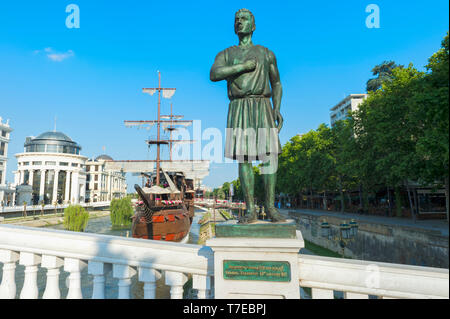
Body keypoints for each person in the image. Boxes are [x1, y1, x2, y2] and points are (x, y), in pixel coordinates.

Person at [210, 8, 285, 223]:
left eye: (244, 19)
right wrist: (242, 67)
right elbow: (214, 74)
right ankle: (251, 210)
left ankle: (270, 207)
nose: (239, 22)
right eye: (236, 19)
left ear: (253, 25)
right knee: (244, 158)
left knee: (269, 156)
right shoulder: (226, 54)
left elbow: (277, 83)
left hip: (262, 104)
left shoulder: (266, 53)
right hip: (239, 105)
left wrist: (277, 108)